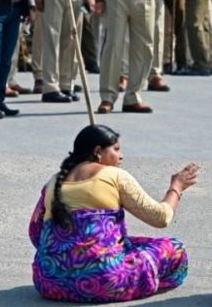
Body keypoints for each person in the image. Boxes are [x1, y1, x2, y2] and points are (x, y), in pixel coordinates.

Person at [29, 124, 198, 303]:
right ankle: (140, 282)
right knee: (175, 248)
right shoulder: (115, 175)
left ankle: (74, 278)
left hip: (48, 282)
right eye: (116, 149)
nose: (121, 155)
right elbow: (161, 217)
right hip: (105, 282)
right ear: (98, 151)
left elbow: (36, 233)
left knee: (128, 243)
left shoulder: (53, 181)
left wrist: (69, 251)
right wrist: (176, 187)